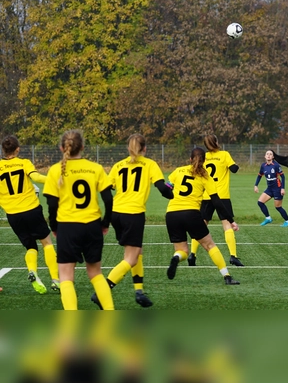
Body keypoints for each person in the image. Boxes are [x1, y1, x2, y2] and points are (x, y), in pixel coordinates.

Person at [91, 133, 174, 310]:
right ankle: (102, 291)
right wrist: (172, 193)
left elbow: (107, 187)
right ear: (145, 148)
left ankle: (139, 291)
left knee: (136, 252)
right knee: (131, 258)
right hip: (133, 214)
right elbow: (162, 188)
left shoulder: (119, 165)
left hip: (116, 214)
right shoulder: (150, 164)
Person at [43, 130, 115, 310]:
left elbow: (51, 204)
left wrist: (54, 227)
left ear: (62, 148)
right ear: (83, 147)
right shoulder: (95, 168)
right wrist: (105, 223)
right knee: (96, 273)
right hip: (92, 226)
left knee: (66, 277)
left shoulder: (55, 170)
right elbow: (108, 200)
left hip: (67, 227)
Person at [165, 147, 240, 285]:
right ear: (204, 161)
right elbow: (217, 202)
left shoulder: (178, 171)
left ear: (190, 159)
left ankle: (176, 257)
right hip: (191, 213)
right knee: (210, 245)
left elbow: (166, 188)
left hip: (171, 214)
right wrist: (231, 220)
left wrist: (171, 194)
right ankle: (227, 276)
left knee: (182, 250)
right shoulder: (205, 176)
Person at [0, 135, 60, 294]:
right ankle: (55, 279)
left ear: (3, 150)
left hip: (13, 215)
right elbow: (36, 177)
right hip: (31, 209)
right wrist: (54, 179)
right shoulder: (24, 163)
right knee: (47, 243)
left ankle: (32, 270)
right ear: (17, 149)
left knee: (30, 247)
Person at [189, 134, 243, 268]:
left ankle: (192, 254)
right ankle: (233, 256)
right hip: (222, 196)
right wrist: (236, 165)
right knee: (227, 225)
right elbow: (234, 169)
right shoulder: (224, 154)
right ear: (217, 142)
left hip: (207, 195)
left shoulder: (204, 157)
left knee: (201, 225)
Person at [254, 150, 288, 227]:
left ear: (273, 157)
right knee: (260, 202)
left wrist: (282, 188)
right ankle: (268, 218)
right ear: (265, 156)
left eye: (270, 154)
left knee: (278, 207)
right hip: (269, 188)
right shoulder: (263, 166)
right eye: (267, 154)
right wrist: (256, 185)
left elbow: (283, 177)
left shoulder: (276, 165)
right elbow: (259, 175)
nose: (268, 155)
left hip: (277, 188)